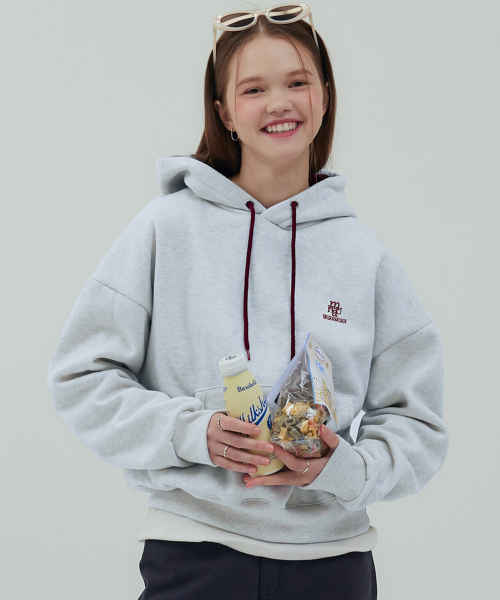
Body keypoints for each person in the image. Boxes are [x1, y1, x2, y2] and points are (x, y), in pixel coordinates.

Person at [47, 4, 449, 599]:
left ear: (325, 96)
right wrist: (191, 433)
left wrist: (344, 468)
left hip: (332, 565)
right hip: (195, 554)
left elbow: (418, 424)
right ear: (225, 112)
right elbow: (81, 378)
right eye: (253, 89)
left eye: (297, 82)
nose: (279, 103)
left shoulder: (368, 259)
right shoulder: (164, 230)